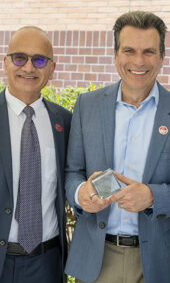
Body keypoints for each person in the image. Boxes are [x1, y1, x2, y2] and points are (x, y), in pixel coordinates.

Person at [64, 10, 170, 283]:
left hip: (155, 263)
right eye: (129, 50)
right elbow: (72, 172)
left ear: (162, 57)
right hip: (96, 258)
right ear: (116, 55)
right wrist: (81, 193)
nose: (138, 61)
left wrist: (152, 197)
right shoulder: (87, 106)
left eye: (149, 52)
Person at [0, 26, 72, 283]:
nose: (29, 67)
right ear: (5, 62)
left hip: (47, 263)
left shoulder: (65, 122)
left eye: (39, 60)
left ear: (52, 68)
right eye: (20, 58)